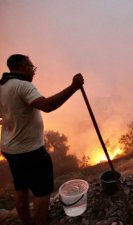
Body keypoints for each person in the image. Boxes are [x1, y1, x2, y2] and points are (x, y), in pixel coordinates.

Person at [0, 54, 84, 225]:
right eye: (32, 67)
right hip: (31, 150)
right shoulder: (23, 86)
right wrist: (73, 87)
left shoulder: (2, 86)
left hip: (10, 149)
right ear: (24, 66)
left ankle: (27, 222)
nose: (34, 71)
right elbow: (47, 106)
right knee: (42, 192)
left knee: (20, 187)